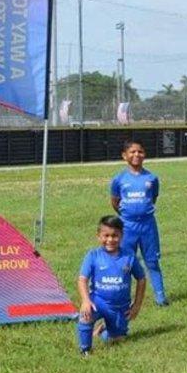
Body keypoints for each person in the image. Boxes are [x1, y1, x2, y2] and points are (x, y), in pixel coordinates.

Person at [76, 215, 145, 356]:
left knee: (118, 340)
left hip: (120, 307)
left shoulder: (129, 256)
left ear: (122, 235)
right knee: (85, 317)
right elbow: (82, 279)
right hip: (97, 301)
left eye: (115, 236)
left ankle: (104, 331)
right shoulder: (93, 255)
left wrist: (136, 305)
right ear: (98, 236)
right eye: (106, 235)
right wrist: (86, 301)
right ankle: (85, 350)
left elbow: (141, 279)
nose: (110, 240)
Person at [110, 140, 167, 306]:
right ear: (124, 156)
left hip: (148, 226)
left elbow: (153, 198)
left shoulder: (151, 178)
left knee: (152, 261)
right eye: (132, 152)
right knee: (126, 262)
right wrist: (127, 216)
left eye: (140, 152)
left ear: (144, 155)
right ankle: (122, 296)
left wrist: (142, 212)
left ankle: (160, 296)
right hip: (128, 226)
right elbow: (115, 201)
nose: (136, 155)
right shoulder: (119, 179)